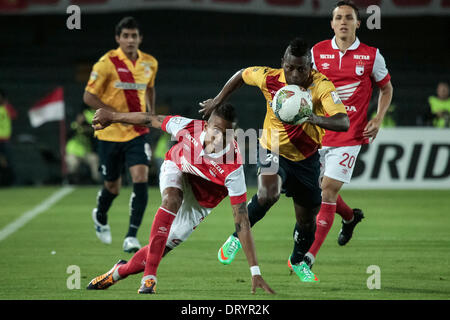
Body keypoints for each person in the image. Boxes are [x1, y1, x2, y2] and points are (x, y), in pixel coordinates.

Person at [200, 37, 349, 282]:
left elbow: (343, 121)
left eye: (301, 69)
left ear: (310, 66)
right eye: (289, 67)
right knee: (268, 194)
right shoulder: (269, 77)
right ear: (283, 63)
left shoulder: (322, 86)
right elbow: (241, 74)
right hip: (273, 148)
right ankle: (236, 238)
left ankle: (298, 259)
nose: (294, 74)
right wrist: (218, 100)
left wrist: (313, 118)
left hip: (307, 159)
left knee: (307, 219)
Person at [87, 104, 275, 295]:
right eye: (216, 130)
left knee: (161, 248)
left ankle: (119, 272)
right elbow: (150, 119)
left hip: (200, 202)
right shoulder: (189, 127)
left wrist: (255, 271)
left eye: (226, 135)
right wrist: (112, 115)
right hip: (178, 169)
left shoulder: (233, 167)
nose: (219, 138)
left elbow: (241, 219)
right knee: (171, 199)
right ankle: (149, 277)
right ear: (207, 125)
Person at [307, 0, 393, 267]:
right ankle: (350, 217)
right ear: (332, 23)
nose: (343, 21)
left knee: (328, 190)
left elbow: (386, 88)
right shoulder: (317, 52)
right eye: (338, 17)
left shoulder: (371, 55)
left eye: (348, 17)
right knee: (316, 190)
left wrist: (378, 119)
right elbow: (303, 85)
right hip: (318, 132)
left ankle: (308, 257)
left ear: (358, 23)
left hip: (350, 134)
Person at [83, 16, 158, 252]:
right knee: (112, 187)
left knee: (140, 177)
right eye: (125, 35)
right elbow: (88, 97)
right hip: (110, 134)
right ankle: (101, 213)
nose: (130, 40)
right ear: (118, 38)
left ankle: (131, 236)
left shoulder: (150, 63)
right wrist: (114, 115)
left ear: (140, 38)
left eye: (134, 36)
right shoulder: (106, 63)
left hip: (137, 132)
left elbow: (150, 88)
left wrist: (152, 113)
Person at [65, 110, 100, 184]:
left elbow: (93, 134)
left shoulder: (88, 126)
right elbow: (69, 134)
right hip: (73, 152)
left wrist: (86, 128)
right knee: (73, 163)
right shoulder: (74, 125)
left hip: (86, 153)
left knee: (94, 159)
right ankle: (71, 181)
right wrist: (78, 126)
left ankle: (96, 181)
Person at [0, 89, 17, 186]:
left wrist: (6, 105)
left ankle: (11, 182)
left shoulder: (6, 108)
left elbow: (14, 115)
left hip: (5, 140)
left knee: (9, 162)